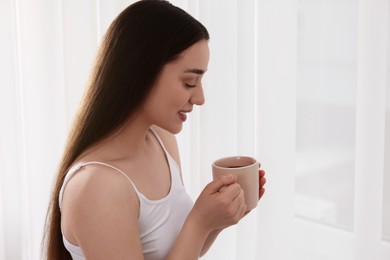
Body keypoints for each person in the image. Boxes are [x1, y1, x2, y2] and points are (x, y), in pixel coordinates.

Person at [43, 0, 266, 259]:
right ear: (141, 71)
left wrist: (219, 218)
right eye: (189, 82)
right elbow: (188, 237)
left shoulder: (163, 140)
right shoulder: (98, 185)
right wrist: (200, 223)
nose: (200, 97)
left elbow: (175, 252)